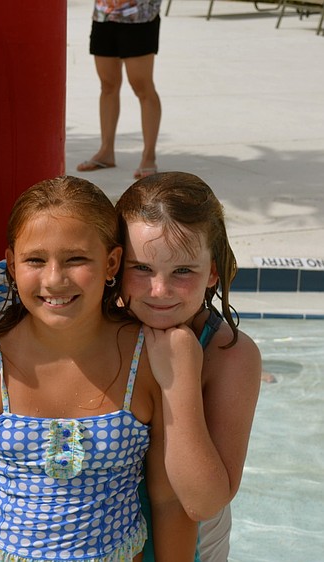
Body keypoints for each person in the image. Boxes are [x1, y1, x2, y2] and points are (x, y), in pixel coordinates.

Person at [0, 176, 196, 561]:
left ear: (112, 262)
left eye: (76, 259)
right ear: (10, 264)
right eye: (35, 260)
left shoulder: (149, 360)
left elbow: (169, 499)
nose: (55, 279)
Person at [116, 171, 262, 562]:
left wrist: (178, 382)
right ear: (115, 263)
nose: (159, 291)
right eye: (141, 269)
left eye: (183, 271)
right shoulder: (100, 331)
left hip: (196, 548)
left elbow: (203, 502)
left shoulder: (229, 353)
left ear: (212, 271)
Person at [76, 0, 162, 180]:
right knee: (107, 86)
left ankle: (149, 156)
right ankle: (106, 152)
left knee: (142, 87)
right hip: (103, 15)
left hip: (139, 17)